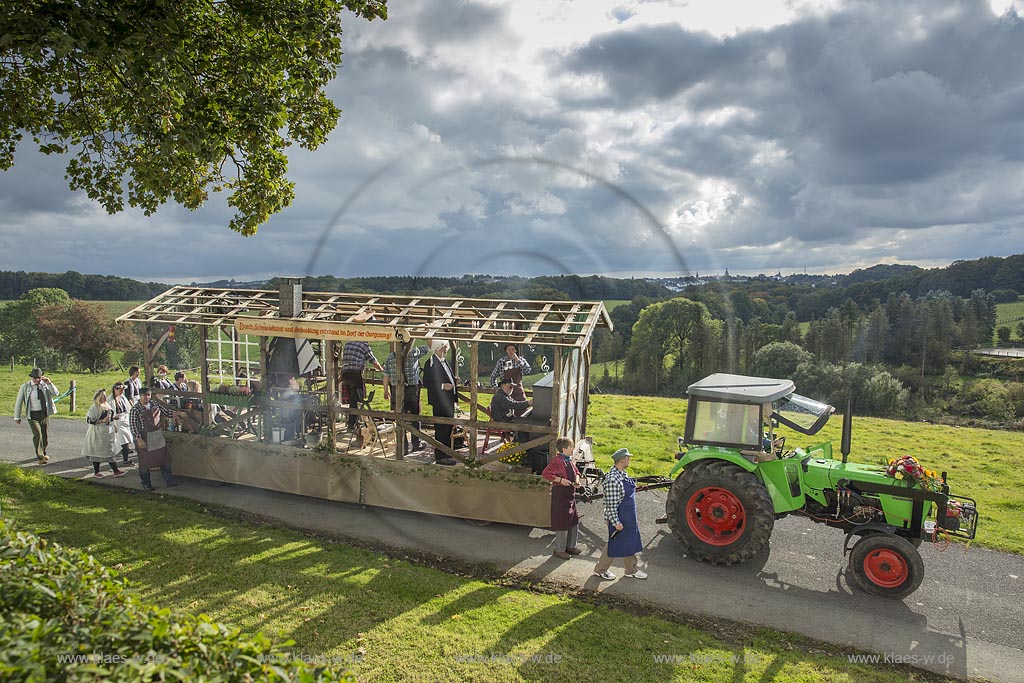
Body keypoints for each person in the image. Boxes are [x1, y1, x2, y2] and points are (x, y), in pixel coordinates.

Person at [593, 447, 647, 580]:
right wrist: (616, 522)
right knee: (614, 544)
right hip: (619, 517)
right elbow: (611, 506)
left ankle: (630, 570)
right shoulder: (612, 480)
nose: (629, 460)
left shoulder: (622, 474)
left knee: (627, 542)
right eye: (628, 458)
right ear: (622, 460)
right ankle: (600, 570)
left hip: (627, 517)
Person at [382, 343, 430, 452]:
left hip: (396, 390)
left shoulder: (390, 357)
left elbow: (386, 376)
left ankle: (403, 447)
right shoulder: (413, 353)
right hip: (412, 390)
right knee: (415, 417)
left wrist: (385, 390)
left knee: (400, 418)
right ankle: (416, 444)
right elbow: (428, 347)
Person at [129, 387, 179, 491]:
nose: (147, 397)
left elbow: (166, 412)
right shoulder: (135, 409)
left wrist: (178, 414)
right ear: (140, 396)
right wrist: (139, 440)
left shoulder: (154, 404)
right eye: (145, 395)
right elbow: (133, 426)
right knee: (145, 463)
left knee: (164, 459)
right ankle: (146, 483)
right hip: (144, 438)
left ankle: (169, 480)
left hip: (157, 436)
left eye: (148, 395)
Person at [541, 438, 582, 559]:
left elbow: (577, 472)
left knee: (574, 520)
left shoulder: (569, 460)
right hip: (560, 494)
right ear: (564, 449)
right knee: (562, 523)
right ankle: (559, 550)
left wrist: (577, 481)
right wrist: (560, 480)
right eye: (571, 447)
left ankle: (570, 546)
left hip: (570, 494)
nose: (573, 449)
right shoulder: (557, 461)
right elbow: (546, 473)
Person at [421, 339, 458, 466]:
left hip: (448, 400)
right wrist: (443, 386)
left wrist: (453, 380)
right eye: (444, 348)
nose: (445, 350)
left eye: (446, 348)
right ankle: (441, 456)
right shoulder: (430, 363)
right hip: (439, 401)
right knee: (441, 429)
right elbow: (427, 382)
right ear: (438, 348)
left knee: (448, 428)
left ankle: (446, 453)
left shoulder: (444, 361)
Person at [13, 367, 59, 464]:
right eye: (34, 378)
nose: (36, 380)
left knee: (45, 435)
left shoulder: (45, 385)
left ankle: (44, 451)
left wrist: (49, 383)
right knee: (37, 434)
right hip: (32, 415)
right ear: (31, 378)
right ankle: (40, 456)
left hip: (44, 413)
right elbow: (19, 402)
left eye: (38, 378)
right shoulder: (25, 387)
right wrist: (17, 417)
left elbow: (56, 393)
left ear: (41, 377)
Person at [339, 339, 383, 432]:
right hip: (355, 373)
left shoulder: (348, 343)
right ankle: (354, 425)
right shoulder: (364, 345)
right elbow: (373, 360)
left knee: (353, 399)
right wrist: (383, 370)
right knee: (359, 399)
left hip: (345, 373)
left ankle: (354, 423)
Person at [83, 388, 125, 478]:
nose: (105, 397)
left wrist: (114, 423)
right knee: (97, 453)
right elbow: (89, 420)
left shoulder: (107, 405)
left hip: (108, 433)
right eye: (103, 396)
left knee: (110, 451)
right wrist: (102, 420)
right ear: (99, 397)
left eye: (106, 395)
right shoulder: (94, 407)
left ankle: (115, 471)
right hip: (98, 433)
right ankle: (97, 471)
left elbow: (109, 418)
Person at [109, 382, 135, 466]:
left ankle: (124, 452)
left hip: (125, 420)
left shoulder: (123, 397)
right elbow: (109, 413)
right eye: (120, 390)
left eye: (123, 390)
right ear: (115, 390)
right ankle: (126, 460)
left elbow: (128, 408)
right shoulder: (110, 400)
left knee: (128, 439)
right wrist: (113, 424)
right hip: (117, 422)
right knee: (124, 441)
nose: (121, 391)